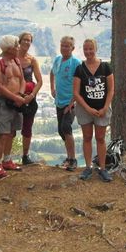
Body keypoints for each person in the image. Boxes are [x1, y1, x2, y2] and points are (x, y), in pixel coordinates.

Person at [73, 38, 115, 182]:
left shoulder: (105, 67)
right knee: (87, 137)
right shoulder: (79, 68)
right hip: (85, 109)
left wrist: (105, 107)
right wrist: (88, 108)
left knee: (100, 138)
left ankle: (103, 168)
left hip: (102, 108)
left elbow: (111, 90)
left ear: (95, 49)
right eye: (86, 49)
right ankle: (88, 167)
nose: (88, 52)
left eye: (91, 49)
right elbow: (76, 92)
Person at [0, 35, 29, 178]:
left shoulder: (16, 61)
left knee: (12, 132)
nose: (19, 48)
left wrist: (20, 95)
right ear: (9, 48)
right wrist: (16, 98)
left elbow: (22, 80)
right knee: (3, 134)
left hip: (16, 101)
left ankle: (7, 160)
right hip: (3, 102)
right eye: (16, 46)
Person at [50, 36, 81, 172]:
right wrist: (52, 88)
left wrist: (71, 103)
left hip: (70, 102)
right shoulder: (57, 60)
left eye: (67, 46)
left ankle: (73, 159)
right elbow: (52, 72)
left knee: (66, 127)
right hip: (59, 101)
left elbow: (79, 85)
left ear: (72, 48)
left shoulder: (76, 63)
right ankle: (68, 158)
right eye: (62, 45)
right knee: (61, 130)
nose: (64, 48)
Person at [17, 32, 43, 165]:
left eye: (29, 41)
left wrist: (32, 95)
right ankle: (6, 158)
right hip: (13, 96)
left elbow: (39, 81)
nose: (27, 43)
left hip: (29, 97)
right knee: (9, 129)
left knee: (27, 127)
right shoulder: (12, 57)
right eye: (25, 40)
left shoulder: (32, 60)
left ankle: (25, 155)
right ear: (19, 41)